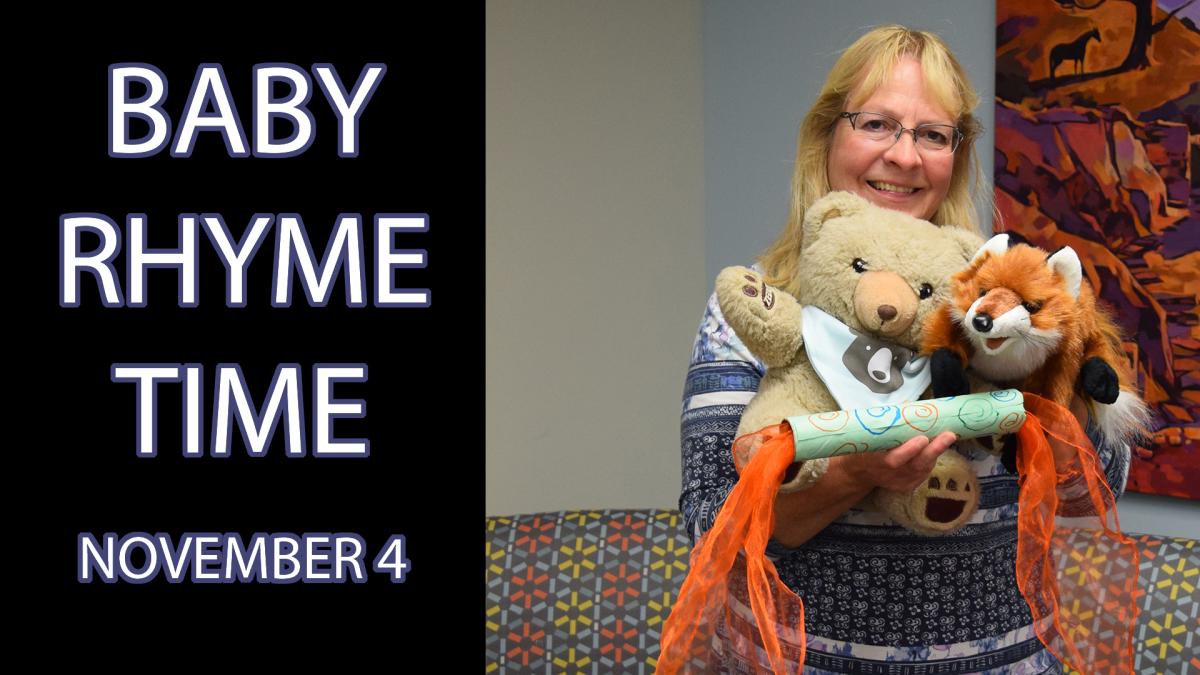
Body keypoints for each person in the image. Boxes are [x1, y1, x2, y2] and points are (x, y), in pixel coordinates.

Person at [678, 25, 1129, 673]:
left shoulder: (1003, 304)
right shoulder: (756, 309)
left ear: (956, 154)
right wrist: (853, 474)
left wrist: (1055, 424)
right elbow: (710, 528)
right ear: (828, 135)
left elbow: (1102, 489)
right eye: (877, 124)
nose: (905, 156)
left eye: (931, 134)